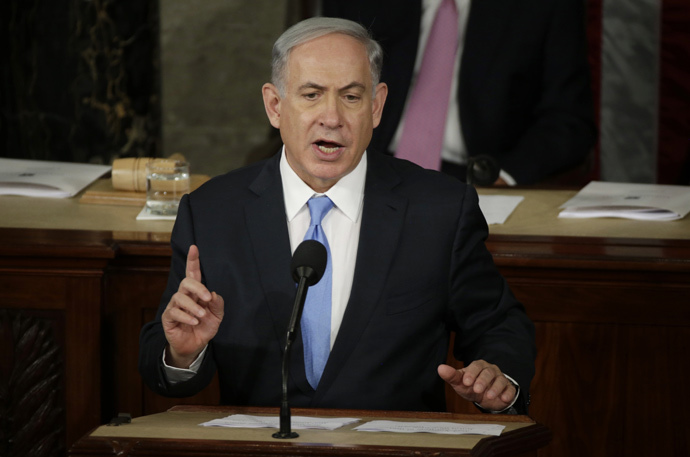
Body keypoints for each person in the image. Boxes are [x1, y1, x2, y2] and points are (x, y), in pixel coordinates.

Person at [139, 17, 535, 414]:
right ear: (275, 106)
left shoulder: (439, 210)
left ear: (376, 106)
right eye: (311, 95)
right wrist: (182, 354)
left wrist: (499, 376)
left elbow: (498, 325)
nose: (332, 117)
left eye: (351, 97)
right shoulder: (212, 213)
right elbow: (164, 362)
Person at [321, 0, 597, 185]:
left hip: (477, 179)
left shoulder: (545, 7)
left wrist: (503, 176)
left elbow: (568, 120)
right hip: (365, 169)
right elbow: (318, 89)